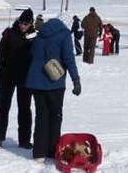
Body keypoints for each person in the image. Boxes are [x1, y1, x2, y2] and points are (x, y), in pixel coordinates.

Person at [26, 17, 81, 164]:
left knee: (41, 116)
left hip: (36, 82)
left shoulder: (40, 34)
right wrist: (76, 79)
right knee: (55, 116)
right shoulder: (63, 35)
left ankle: (38, 152)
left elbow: (32, 54)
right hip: (54, 83)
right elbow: (69, 58)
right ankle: (52, 150)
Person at [0, 9, 37, 149]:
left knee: (24, 109)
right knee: (2, 107)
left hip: (25, 78)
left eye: (26, 23)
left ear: (31, 24)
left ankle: (24, 140)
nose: (23, 26)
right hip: (7, 76)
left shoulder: (35, 36)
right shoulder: (9, 33)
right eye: (22, 22)